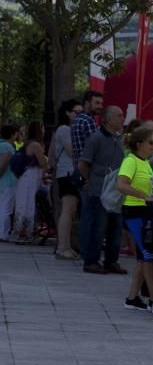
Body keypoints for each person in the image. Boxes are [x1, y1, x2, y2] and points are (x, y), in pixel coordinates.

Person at [117, 126, 153, 314]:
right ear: (139, 144)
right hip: (134, 212)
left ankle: (132, 297)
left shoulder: (144, 162)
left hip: (146, 211)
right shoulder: (131, 161)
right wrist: (143, 196)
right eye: (151, 142)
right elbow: (122, 185)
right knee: (147, 256)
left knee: (145, 257)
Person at [78, 106, 126, 274]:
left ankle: (111, 261)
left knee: (115, 229)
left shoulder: (121, 140)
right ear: (107, 119)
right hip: (99, 190)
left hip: (117, 191)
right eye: (119, 115)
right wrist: (91, 180)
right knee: (97, 228)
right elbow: (83, 163)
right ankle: (91, 261)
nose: (122, 118)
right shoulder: (96, 138)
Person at [49, 100, 83, 258]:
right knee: (67, 209)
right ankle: (62, 247)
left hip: (72, 173)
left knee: (71, 210)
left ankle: (66, 246)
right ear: (67, 113)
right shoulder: (64, 129)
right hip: (67, 173)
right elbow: (72, 151)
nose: (79, 115)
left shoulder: (71, 129)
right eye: (77, 112)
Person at [10, 121, 48, 244]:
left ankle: (21, 233)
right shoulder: (36, 145)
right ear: (38, 129)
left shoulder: (29, 144)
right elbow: (43, 164)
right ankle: (23, 233)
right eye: (42, 128)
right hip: (29, 178)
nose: (44, 130)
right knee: (27, 205)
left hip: (28, 177)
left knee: (25, 203)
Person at [71, 91, 104, 169]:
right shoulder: (88, 120)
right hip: (89, 170)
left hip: (78, 169)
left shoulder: (77, 119)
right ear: (87, 103)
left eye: (101, 103)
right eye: (97, 103)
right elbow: (96, 149)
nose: (100, 106)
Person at [0, 125, 17, 241]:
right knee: (6, 209)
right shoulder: (8, 147)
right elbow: (3, 165)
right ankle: (3, 233)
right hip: (8, 182)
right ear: (13, 134)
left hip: (3, 182)